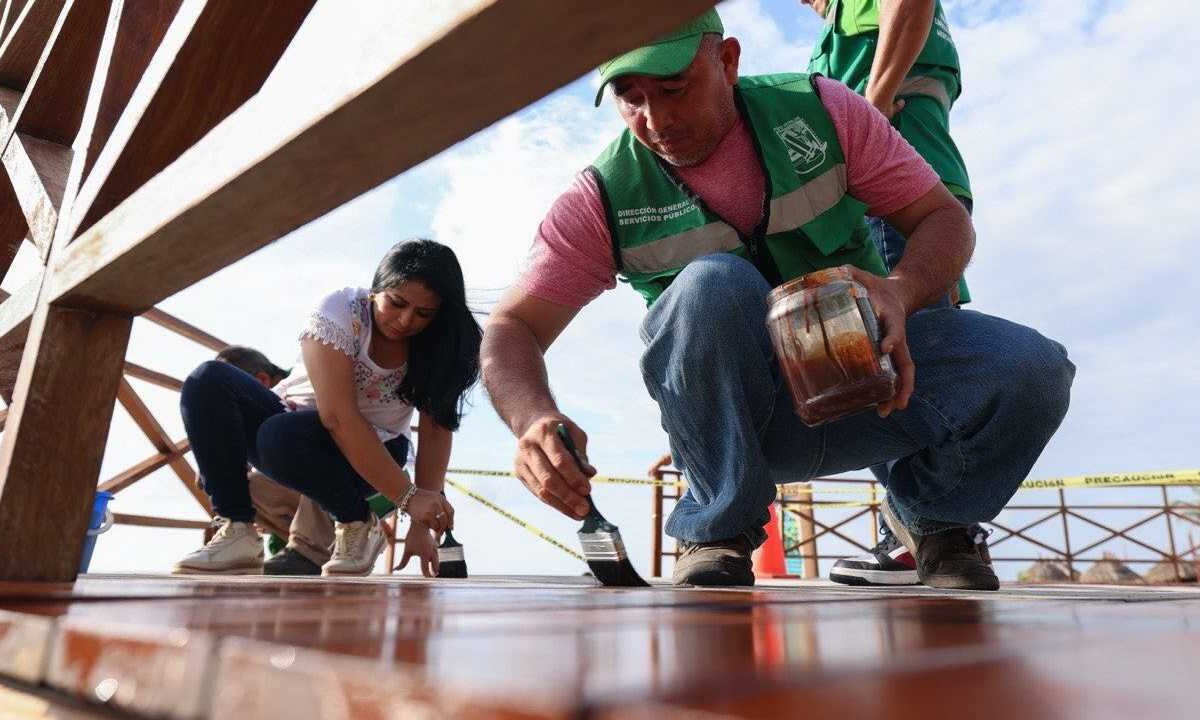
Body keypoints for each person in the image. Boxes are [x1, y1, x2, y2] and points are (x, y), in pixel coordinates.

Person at [480, 10, 1074, 590]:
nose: (657, 119)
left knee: (1032, 368)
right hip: (743, 423)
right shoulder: (606, 195)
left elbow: (944, 218)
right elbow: (512, 327)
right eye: (630, 98)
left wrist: (901, 290)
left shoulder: (823, 113)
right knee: (710, 283)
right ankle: (718, 529)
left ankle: (936, 520)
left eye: (675, 88)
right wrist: (532, 419)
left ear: (728, 61)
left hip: (875, 387)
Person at [802, 0, 988, 585]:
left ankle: (926, 529)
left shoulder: (853, 8)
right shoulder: (841, 26)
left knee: (883, 356)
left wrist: (873, 103)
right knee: (931, 357)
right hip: (928, 193)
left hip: (893, 195)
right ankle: (938, 528)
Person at [174, 239, 480, 577]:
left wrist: (420, 523)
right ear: (376, 288)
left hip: (376, 451)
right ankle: (236, 529)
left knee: (279, 436)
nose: (406, 320)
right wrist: (410, 498)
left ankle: (356, 522)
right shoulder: (341, 311)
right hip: (299, 425)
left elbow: (436, 432)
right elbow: (337, 415)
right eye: (397, 302)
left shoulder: (440, 346)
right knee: (207, 379)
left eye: (424, 314)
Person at [210, 345, 336, 575]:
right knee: (237, 482)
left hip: (371, 487)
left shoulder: (308, 382)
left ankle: (311, 552)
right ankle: (304, 548)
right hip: (324, 493)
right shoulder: (274, 398)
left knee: (309, 440)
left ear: (261, 381)